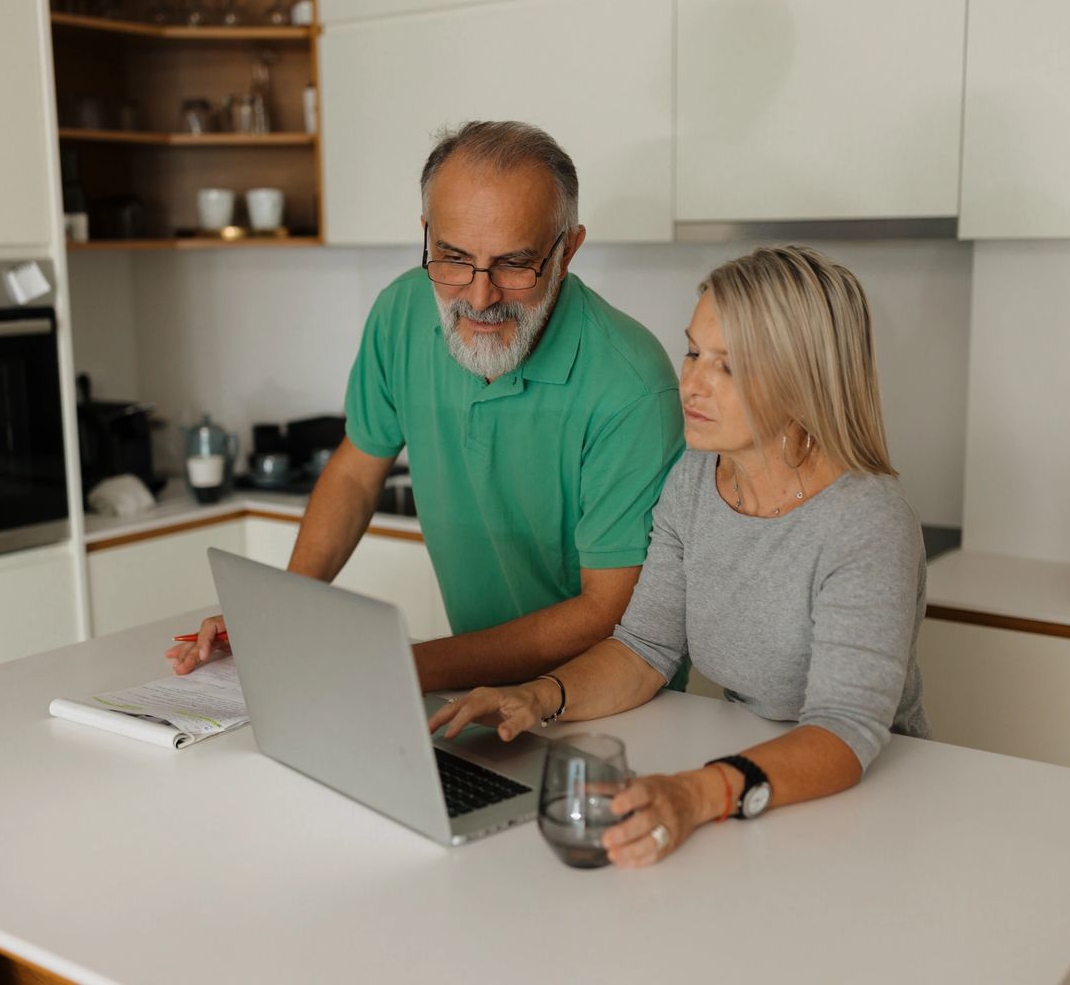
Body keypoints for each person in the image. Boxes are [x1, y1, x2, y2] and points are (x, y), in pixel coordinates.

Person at [429, 245, 929, 868]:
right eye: (694, 351)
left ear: (805, 382)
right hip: (751, 784)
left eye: (730, 366)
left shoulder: (866, 522)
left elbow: (843, 731)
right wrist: (538, 697)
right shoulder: (695, 479)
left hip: (866, 798)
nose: (690, 382)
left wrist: (695, 794)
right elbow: (645, 649)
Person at [169, 121, 685, 691]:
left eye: (515, 264)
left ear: (567, 252)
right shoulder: (401, 312)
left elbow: (606, 609)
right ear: (426, 237)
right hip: (475, 689)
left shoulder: (631, 386)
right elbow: (355, 474)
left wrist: (402, 668)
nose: (479, 297)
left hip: (602, 700)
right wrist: (281, 618)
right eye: (453, 258)